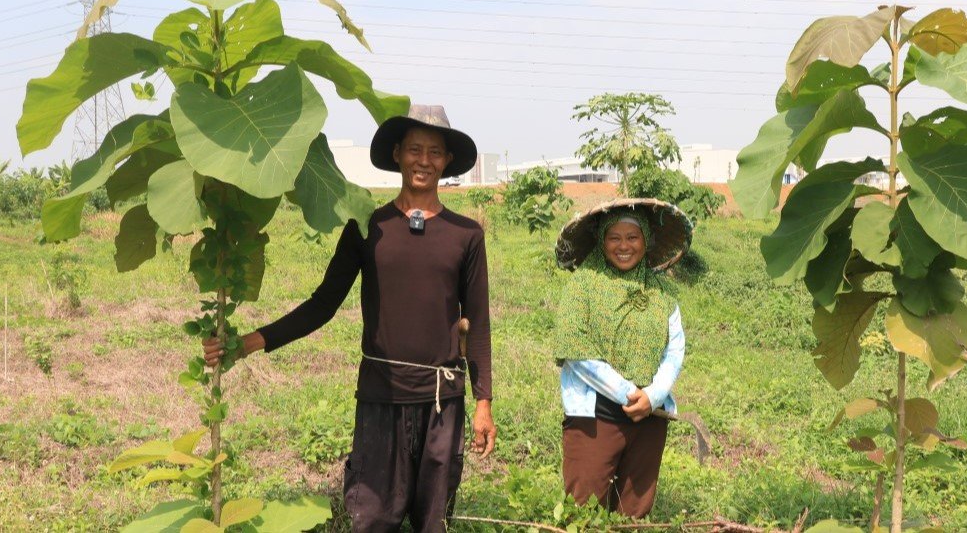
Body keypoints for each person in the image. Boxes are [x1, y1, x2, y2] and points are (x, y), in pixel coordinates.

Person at [203, 104, 496, 533]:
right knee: (372, 517)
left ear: (447, 161)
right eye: (415, 149)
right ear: (397, 154)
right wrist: (250, 342)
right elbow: (323, 304)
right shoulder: (367, 227)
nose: (424, 161)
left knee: (434, 522)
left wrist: (483, 401)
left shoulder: (466, 235)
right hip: (381, 399)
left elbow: (479, 321)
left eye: (435, 152)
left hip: (441, 403)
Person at [551, 198, 692, 519]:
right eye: (614, 237)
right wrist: (630, 395)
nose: (623, 246)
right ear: (602, 241)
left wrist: (653, 396)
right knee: (583, 512)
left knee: (634, 513)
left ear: (646, 240)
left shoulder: (662, 294)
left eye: (633, 237)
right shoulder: (582, 287)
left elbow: (675, 349)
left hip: (650, 420)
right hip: (595, 419)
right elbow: (576, 350)